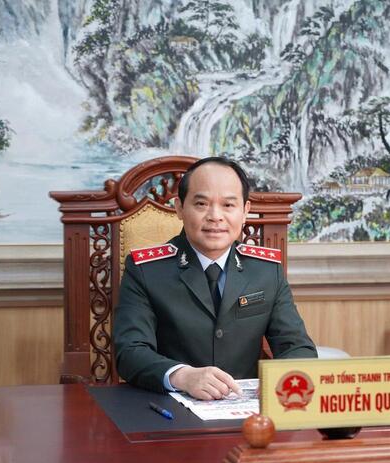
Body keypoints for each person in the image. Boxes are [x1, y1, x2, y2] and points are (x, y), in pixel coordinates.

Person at [113, 157, 317, 400]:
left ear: (245, 211)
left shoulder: (265, 270)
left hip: (247, 410)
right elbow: (130, 352)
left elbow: (297, 346)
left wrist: (281, 376)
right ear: (179, 208)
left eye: (228, 205)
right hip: (170, 407)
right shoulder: (147, 270)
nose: (215, 216)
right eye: (201, 204)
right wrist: (182, 376)